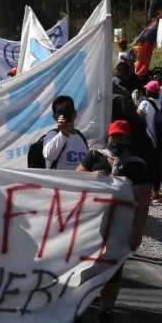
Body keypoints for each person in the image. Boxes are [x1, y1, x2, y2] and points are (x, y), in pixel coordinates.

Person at [76, 120, 151, 323]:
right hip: (91, 226)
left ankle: (105, 312)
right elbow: (75, 180)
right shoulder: (94, 156)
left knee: (113, 271)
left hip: (118, 229)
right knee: (84, 268)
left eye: (120, 137)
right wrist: (92, 176)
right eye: (113, 136)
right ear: (108, 137)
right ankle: (78, 307)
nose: (116, 140)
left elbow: (143, 203)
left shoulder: (136, 165)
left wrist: (137, 232)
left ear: (128, 139)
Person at [40, 95, 89, 170]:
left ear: (74, 114)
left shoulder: (81, 137)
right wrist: (62, 134)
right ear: (55, 117)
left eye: (68, 112)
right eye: (61, 113)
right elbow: (48, 155)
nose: (65, 115)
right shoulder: (53, 134)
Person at [137, 80, 161, 149]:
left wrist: (137, 104)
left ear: (149, 91)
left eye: (147, 89)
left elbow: (137, 118)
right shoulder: (159, 103)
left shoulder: (145, 103)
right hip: (156, 140)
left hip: (148, 139)